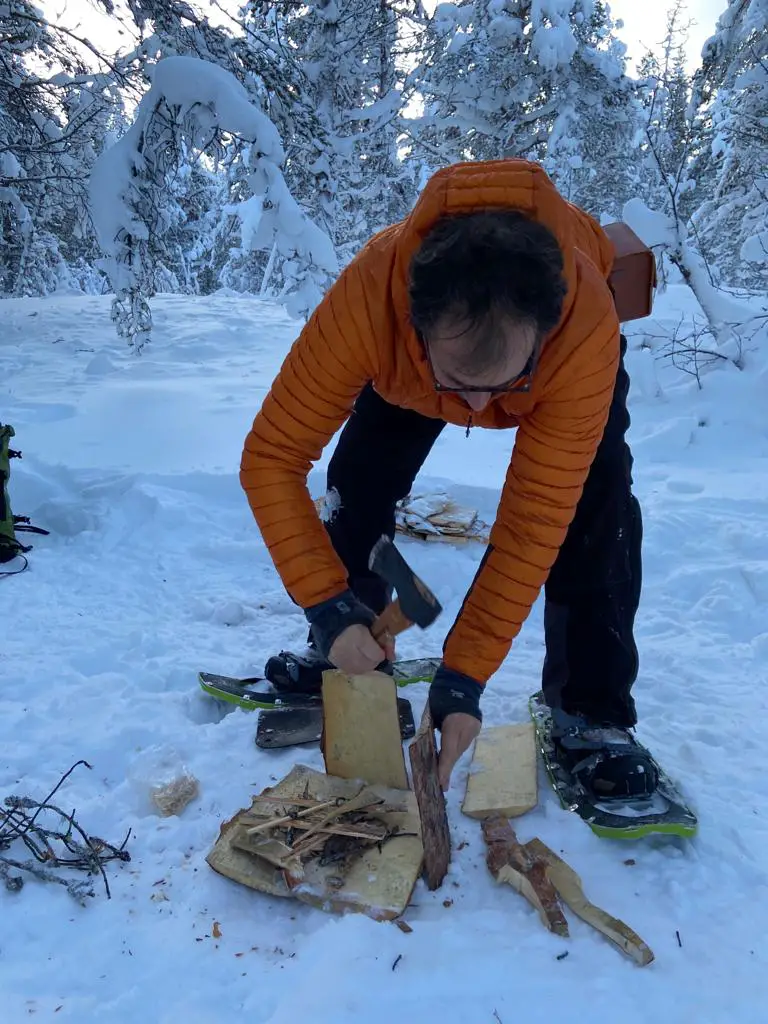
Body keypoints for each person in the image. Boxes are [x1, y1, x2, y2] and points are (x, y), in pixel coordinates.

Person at [240, 158, 656, 798]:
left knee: (591, 510)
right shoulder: (371, 300)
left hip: (559, 376)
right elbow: (271, 458)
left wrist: (464, 679)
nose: (479, 411)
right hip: (409, 375)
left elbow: (529, 527)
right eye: (462, 385)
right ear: (415, 322)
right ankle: (352, 640)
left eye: (500, 386)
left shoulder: (580, 330)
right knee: (358, 479)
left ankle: (592, 709)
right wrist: (326, 608)